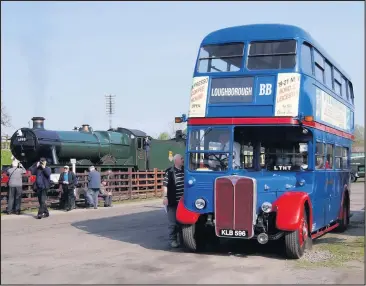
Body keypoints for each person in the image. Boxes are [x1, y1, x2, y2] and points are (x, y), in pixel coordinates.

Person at [163, 154, 184, 248]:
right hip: (173, 201)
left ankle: (181, 240)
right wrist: (165, 197)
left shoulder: (185, 170)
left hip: (183, 202)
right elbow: (165, 185)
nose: (183, 160)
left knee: (182, 222)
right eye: (181, 159)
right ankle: (173, 240)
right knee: (173, 223)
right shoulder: (170, 172)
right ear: (176, 161)